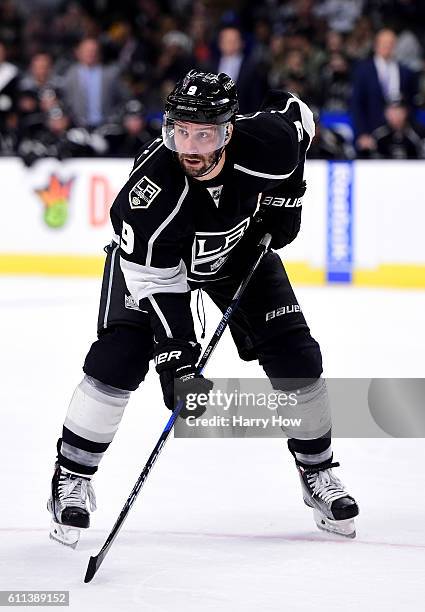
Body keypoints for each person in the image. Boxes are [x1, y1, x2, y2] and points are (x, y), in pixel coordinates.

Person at [47, 70, 359, 548]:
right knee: (119, 359)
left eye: (205, 133)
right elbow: (154, 279)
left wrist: (286, 203)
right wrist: (176, 353)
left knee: (298, 355)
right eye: (180, 131)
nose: (190, 146)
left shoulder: (268, 142)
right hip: (157, 271)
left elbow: (300, 118)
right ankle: (70, 477)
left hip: (238, 255)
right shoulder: (148, 192)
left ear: (229, 130)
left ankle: (318, 473)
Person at [351, 28, 418, 157]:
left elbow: (411, 103)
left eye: (391, 44)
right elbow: (356, 105)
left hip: (400, 136)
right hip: (371, 134)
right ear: (376, 45)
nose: (388, 47)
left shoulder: (406, 72)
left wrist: (406, 127)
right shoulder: (363, 71)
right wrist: (362, 133)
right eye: (384, 43)